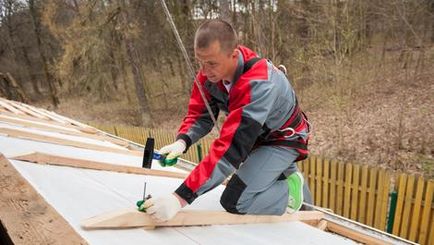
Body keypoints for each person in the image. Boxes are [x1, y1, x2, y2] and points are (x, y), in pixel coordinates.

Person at [142, 19, 312, 222]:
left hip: (281, 140)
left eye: (211, 63)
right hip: (257, 137)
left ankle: (290, 194)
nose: (204, 72)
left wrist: (179, 198)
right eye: (200, 62)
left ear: (233, 55)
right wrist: (182, 142)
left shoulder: (258, 84)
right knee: (256, 186)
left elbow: (231, 150)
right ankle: (296, 193)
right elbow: (201, 115)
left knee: (235, 200)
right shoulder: (210, 74)